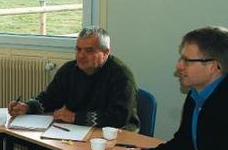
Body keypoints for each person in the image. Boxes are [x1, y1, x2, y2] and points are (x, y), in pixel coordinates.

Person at [8, 26, 140, 130]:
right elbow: (49, 98)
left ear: (105, 53)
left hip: (114, 137)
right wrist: (27, 107)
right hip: (76, 131)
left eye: (89, 51)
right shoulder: (69, 70)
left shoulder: (121, 76)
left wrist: (75, 117)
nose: (81, 56)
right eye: (78, 49)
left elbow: (117, 118)